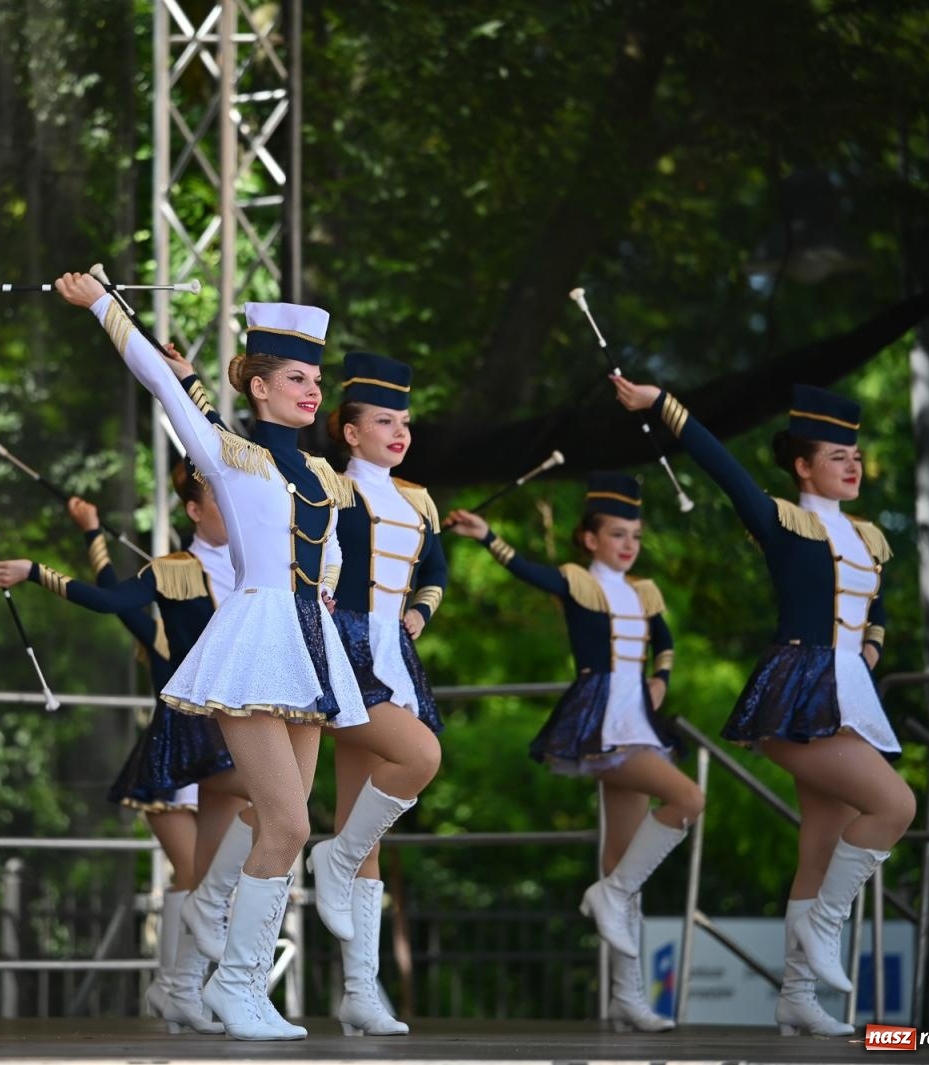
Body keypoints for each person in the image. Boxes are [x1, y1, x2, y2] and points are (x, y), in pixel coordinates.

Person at [55, 272, 366, 1041]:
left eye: (317, 379)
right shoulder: (228, 454)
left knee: (283, 823)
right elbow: (161, 382)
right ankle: (233, 985)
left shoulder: (325, 476)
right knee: (289, 824)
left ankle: (241, 987)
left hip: (308, 645)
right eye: (297, 378)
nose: (312, 391)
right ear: (258, 387)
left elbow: (329, 562)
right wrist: (101, 304)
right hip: (258, 639)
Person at [612, 377, 914, 1037]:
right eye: (837, 456)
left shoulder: (867, 537)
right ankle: (826, 925)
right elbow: (719, 463)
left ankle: (798, 995)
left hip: (847, 695)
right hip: (796, 692)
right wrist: (660, 404)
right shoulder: (782, 520)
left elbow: (876, 608)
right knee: (895, 805)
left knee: (821, 841)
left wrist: (869, 650)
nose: (853, 464)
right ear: (803, 465)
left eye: (855, 455)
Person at [0, 474, 246, 1035]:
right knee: (195, 876)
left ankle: (177, 988)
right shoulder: (173, 574)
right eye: (223, 504)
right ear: (195, 511)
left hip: (235, 734)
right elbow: (111, 596)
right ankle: (180, 989)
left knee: (205, 879)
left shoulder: (258, 573)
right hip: (184, 743)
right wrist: (47, 564)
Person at [444, 472, 700, 1033]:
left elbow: (667, 639)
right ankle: (610, 897)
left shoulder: (644, 591)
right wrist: (488, 537)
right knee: (687, 798)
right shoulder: (579, 582)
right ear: (589, 539)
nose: (629, 545)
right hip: (603, 715)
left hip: (641, 715)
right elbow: (527, 571)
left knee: (621, 856)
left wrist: (661, 678)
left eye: (635, 535)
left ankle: (626, 995)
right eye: (617, 535)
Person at [316, 352, 446, 1036]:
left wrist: (419, 613)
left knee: (363, 830)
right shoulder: (329, 488)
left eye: (405, 421)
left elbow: (435, 569)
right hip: (343, 647)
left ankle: (360, 991)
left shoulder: (418, 499)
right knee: (420, 756)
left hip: (395, 653)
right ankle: (328, 861)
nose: (400, 431)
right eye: (384, 421)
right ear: (350, 430)